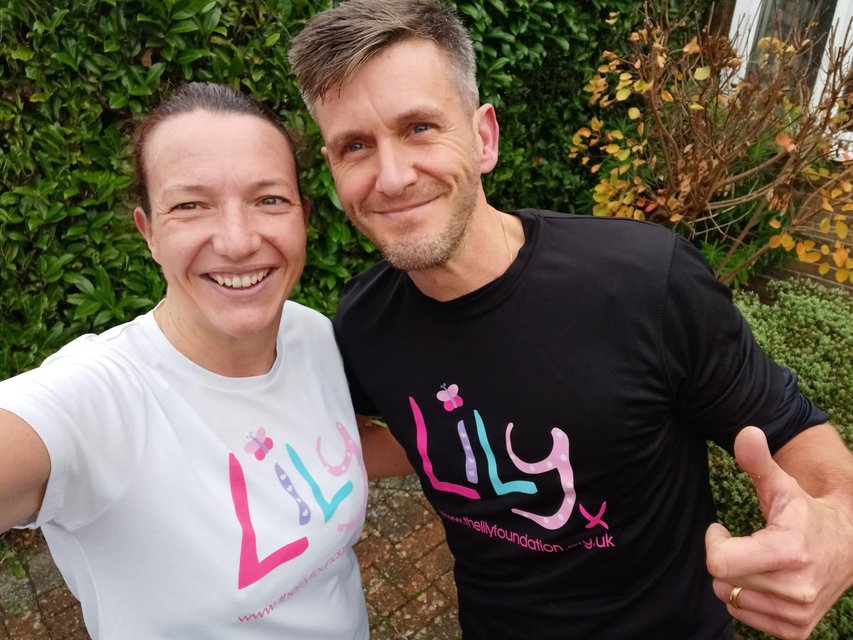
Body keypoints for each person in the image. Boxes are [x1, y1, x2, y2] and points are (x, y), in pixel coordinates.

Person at [287, 1, 853, 638]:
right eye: (354, 146)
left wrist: (838, 529)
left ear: (483, 137)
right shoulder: (363, 325)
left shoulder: (643, 282)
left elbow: (793, 428)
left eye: (419, 127)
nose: (391, 177)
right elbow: (385, 438)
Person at [0, 82, 369, 639]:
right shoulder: (96, 400)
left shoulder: (312, 334)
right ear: (148, 232)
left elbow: (331, 448)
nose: (239, 240)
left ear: (304, 216)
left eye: (269, 199)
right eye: (190, 205)